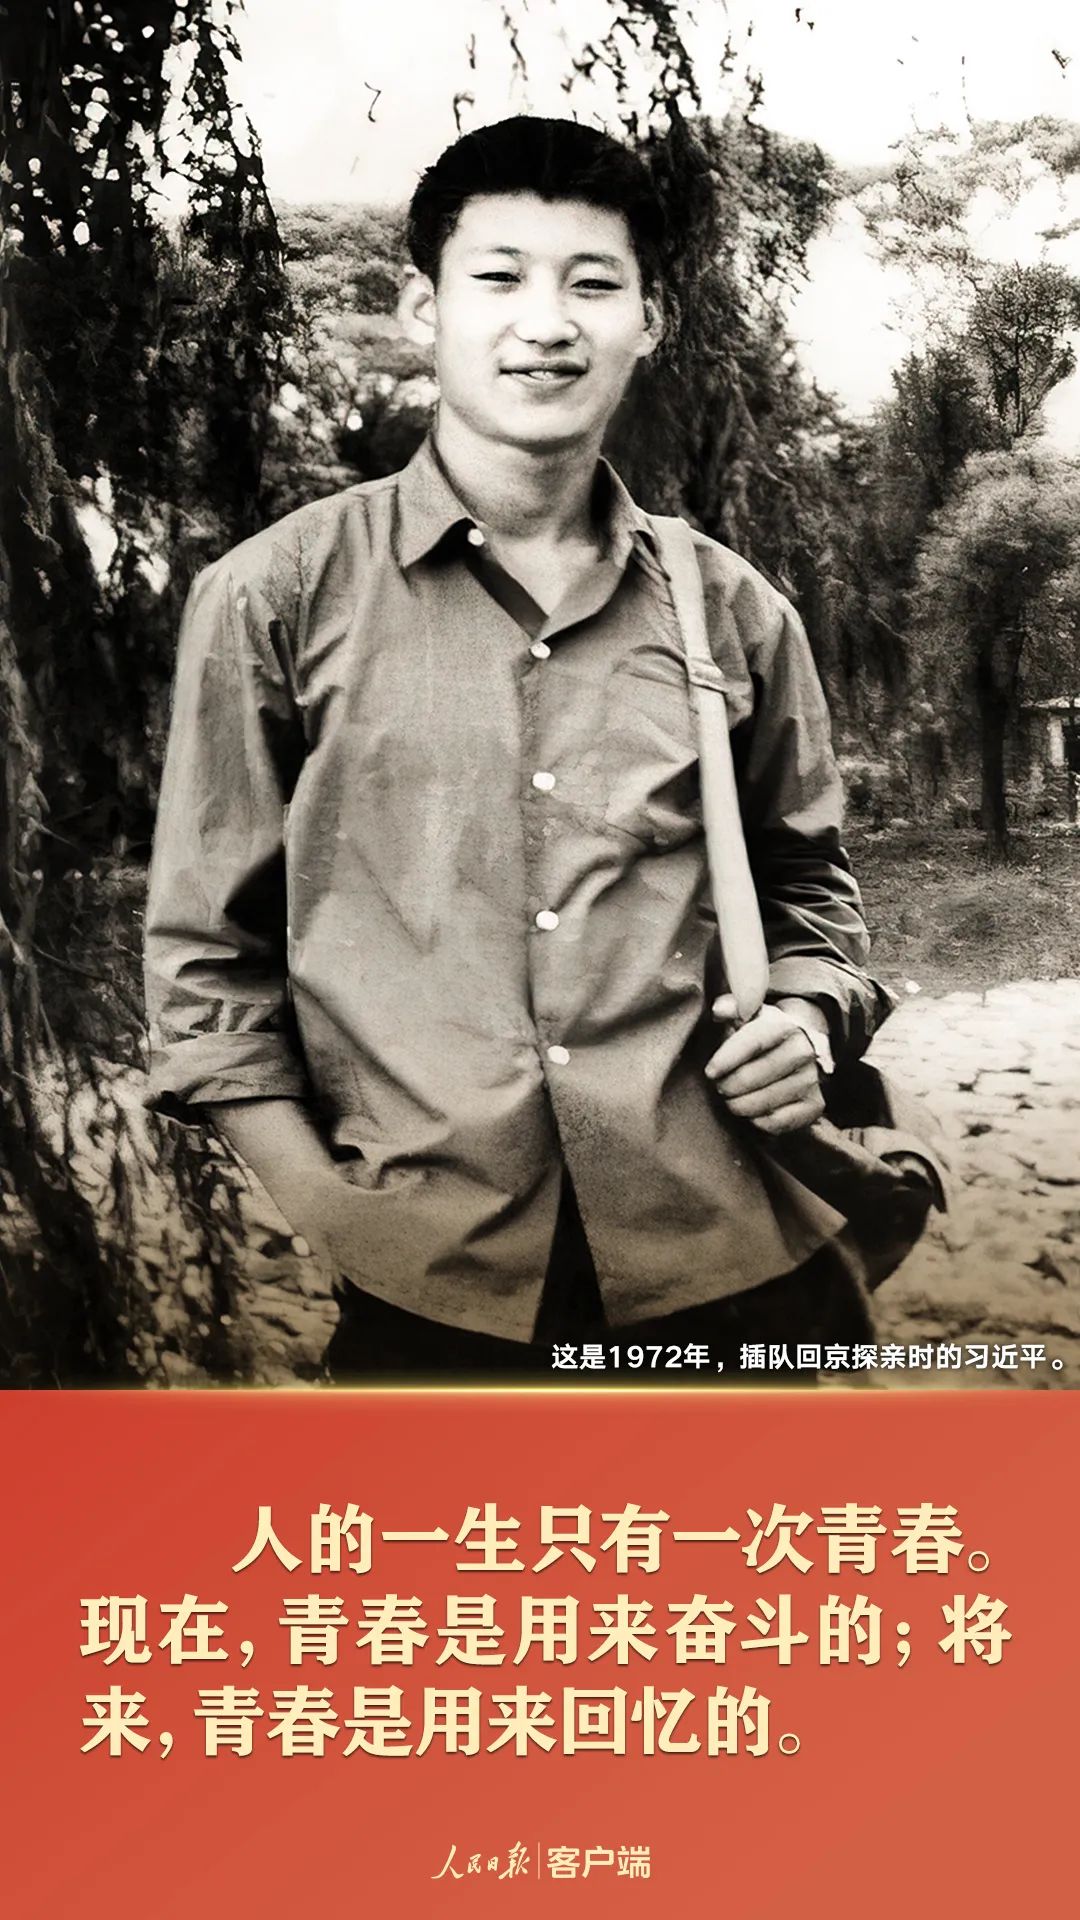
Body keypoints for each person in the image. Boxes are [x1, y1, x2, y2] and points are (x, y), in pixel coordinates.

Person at [144, 115, 892, 1381]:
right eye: (499, 277)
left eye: (592, 284)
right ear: (422, 307)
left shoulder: (733, 608)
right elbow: (208, 959)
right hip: (433, 1283)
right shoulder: (274, 597)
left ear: (649, 320)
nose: (545, 323)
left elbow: (811, 888)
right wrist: (335, 1217)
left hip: (735, 1257)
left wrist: (810, 1018)